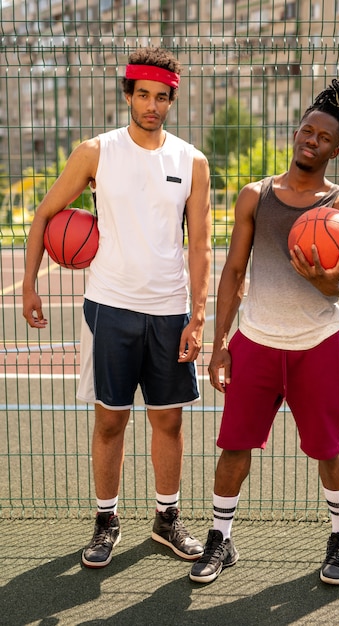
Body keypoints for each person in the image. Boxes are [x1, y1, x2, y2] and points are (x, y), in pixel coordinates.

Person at [22, 47, 212, 568]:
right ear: (127, 94)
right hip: (110, 307)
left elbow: (200, 245)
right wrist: (29, 285)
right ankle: (106, 521)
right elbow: (44, 215)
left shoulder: (191, 161)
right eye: (143, 95)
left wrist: (199, 315)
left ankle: (166, 519)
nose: (152, 105)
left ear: (172, 99)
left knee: (168, 422)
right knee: (111, 421)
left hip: (171, 310)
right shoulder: (95, 152)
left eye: (162, 97)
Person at [189, 79, 339, 585]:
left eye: (323, 137)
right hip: (256, 341)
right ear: (296, 133)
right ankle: (220, 540)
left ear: (336, 149)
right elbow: (232, 272)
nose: (311, 140)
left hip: (316, 345)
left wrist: (330, 286)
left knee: (328, 450)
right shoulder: (257, 196)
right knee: (234, 448)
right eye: (306, 130)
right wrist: (221, 344)